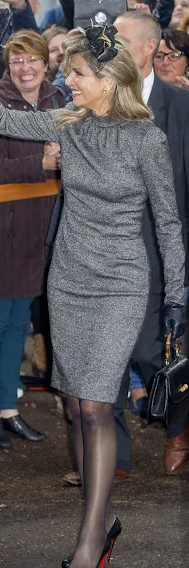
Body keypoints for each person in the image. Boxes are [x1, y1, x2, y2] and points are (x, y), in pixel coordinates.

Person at [0, 16, 185, 568]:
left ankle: (92, 536)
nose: (72, 82)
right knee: (79, 405)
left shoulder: (147, 139)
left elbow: (168, 222)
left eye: (80, 74)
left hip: (120, 282)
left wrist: (179, 297)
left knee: (95, 406)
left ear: (108, 81)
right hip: (67, 279)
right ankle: (102, 516)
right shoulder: (69, 124)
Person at [0, 29, 64, 450]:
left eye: (33, 61)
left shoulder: (59, 101)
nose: (25, 69)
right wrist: (40, 161)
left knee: (17, 322)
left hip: (40, 229)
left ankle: (9, 407)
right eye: (16, 61)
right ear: (6, 67)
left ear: (47, 64)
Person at [114, 10, 189, 474]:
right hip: (103, 251)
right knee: (104, 360)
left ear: (145, 48)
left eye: (119, 38)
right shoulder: (95, 100)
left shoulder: (179, 107)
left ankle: (180, 429)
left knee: (153, 351)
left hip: (160, 255)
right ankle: (110, 455)